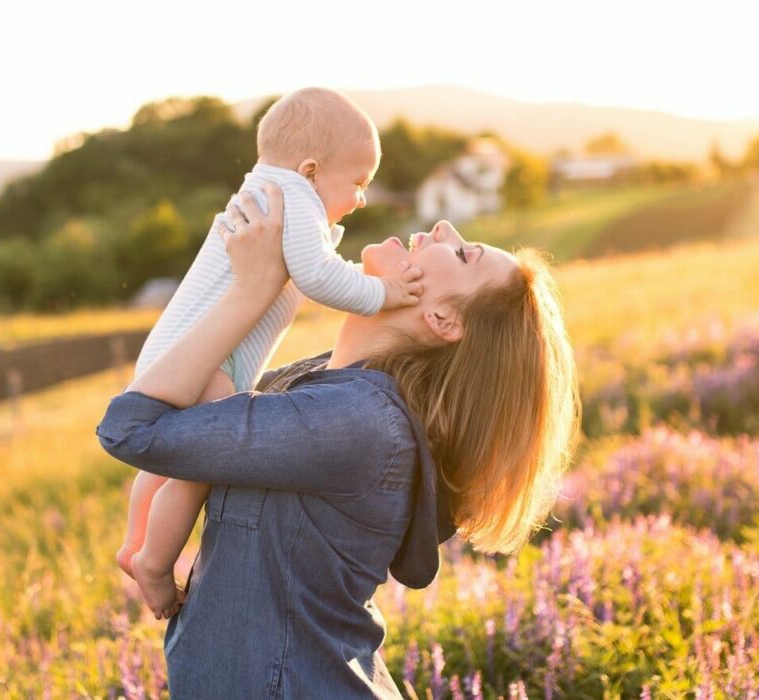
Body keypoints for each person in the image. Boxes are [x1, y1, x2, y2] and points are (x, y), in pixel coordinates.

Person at [96, 185, 580, 698]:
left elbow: (132, 428)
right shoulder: (322, 384)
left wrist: (250, 291)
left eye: (462, 253)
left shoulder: (357, 421)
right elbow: (198, 400)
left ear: (442, 319)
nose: (442, 230)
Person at [118, 87, 424, 616]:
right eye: (358, 183)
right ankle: (153, 562)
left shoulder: (270, 192)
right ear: (310, 169)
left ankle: (134, 540)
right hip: (207, 359)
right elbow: (318, 276)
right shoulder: (292, 198)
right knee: (193, 473)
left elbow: (317, 267)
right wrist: (384, 294)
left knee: (167, 459)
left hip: (189, 349)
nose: (362, 199)